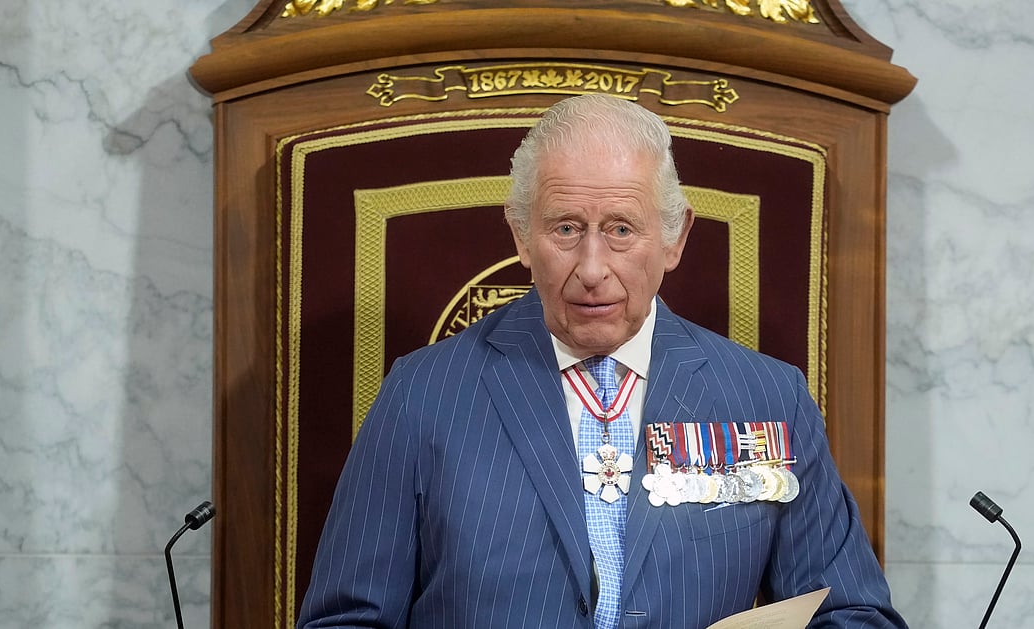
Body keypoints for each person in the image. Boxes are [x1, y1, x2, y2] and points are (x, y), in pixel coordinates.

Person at [297, 94, 906, 628]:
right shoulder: (422, 395)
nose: (592, 269)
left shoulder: (768, 398)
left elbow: (853, 614)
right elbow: (346, 620)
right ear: (521, 235)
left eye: (621, 229)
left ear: (674, 238)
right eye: (566, 229)